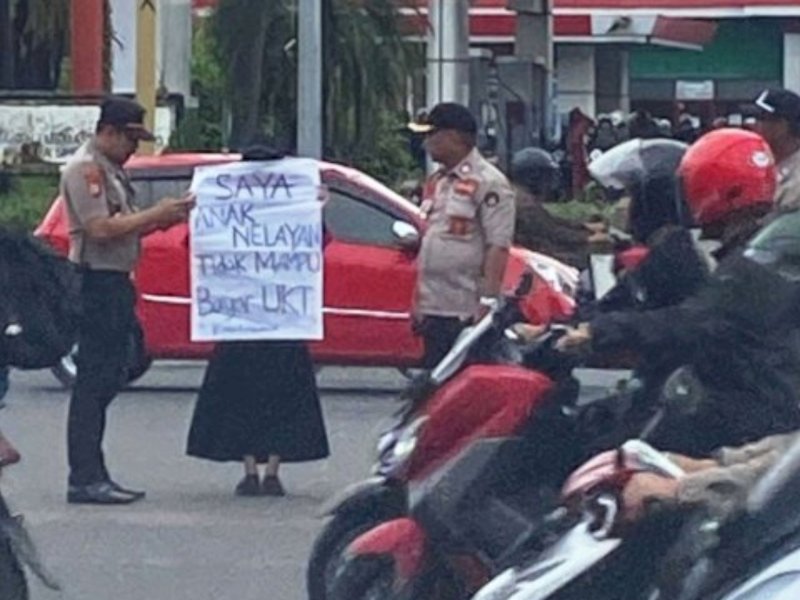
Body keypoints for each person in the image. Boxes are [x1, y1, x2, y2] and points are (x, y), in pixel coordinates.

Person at [557, 129, 800, 457]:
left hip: (748, 406)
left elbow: (697, 320)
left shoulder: (755, 259)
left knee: (616, 455)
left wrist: (600, 332)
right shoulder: (764, 246)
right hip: (744, 394)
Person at [62, 96, 195, 505]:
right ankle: (84, 476)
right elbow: (100, 228)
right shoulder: (87, 170)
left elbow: (124, 229)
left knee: (112, 373)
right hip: (96, 282)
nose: (134, 148)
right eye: (129, 138)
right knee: (93, 382)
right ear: (108, 132)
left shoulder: (113, 170)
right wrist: (154, 215)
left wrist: (163, 220)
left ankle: (94, 471)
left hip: (116, 281)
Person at [186, 143, 329, 497]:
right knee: (284, 396)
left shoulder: (235, 201)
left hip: (242, 320)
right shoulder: (291, 205)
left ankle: (251, 469)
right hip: (280, 320)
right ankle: (272, 471)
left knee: (241, 396)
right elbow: (318, 243)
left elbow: (198, 244)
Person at [409, 103, 516, 368]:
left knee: (464, 384)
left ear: (453, 137)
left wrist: (488, 301)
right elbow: (431, 238)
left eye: (431, 135)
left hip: (465, 308)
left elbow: (498, 245)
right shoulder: (438, 181)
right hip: (434, 305)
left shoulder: (489, 182)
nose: (426, 143)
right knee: (433, 384)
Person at [510, 147, 608, 270]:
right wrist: (590, 237)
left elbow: (553, 223)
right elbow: (556, 234)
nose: (550, 183)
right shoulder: (524, 207)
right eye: (547, 178)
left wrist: (586, 227)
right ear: (534, 178)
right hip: (540, 262)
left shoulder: (523, 200)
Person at [751, 88, 800, 215]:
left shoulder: (796, 177)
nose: (756, 124)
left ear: (782, 125)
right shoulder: (758, 163)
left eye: (762, 118)